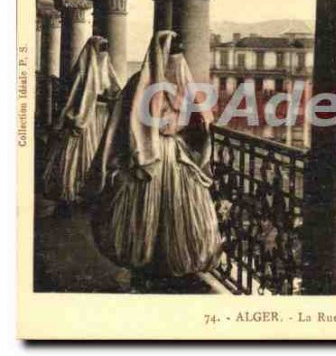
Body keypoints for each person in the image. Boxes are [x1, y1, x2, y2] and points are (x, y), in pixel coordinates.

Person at [90, 31, 222, 287]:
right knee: (155, 215)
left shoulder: (142, 84)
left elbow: (121, 124)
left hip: (156, 155)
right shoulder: (184, 86)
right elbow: (203, 124)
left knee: (163, 214)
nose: (177, 60)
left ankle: (157, 264)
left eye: (178, 54)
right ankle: (156, 264)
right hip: (166, 155)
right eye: (175, 54)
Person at [42, 36, 120, 216]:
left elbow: (113, 90)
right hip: (84, 119)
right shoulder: (81, 73)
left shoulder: (106, 70)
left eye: (105, 49)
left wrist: (111, 99)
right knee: (78, 157)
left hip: (101, 119)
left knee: (99, 154)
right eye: (101, 49)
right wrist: (78, 115)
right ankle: (71, 195)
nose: (104, 53)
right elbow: (76, 98)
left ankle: (92, 195)